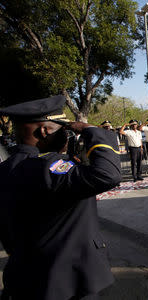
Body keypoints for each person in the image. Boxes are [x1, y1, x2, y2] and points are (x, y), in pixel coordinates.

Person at [0, 95, 121, 300]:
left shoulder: (5, 169)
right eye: (63, 130)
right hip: (67, 283)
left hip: (23, 278)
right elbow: (108, 175)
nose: (67, 135)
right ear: (44, 130)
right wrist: (95, 132)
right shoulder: (47, 166)